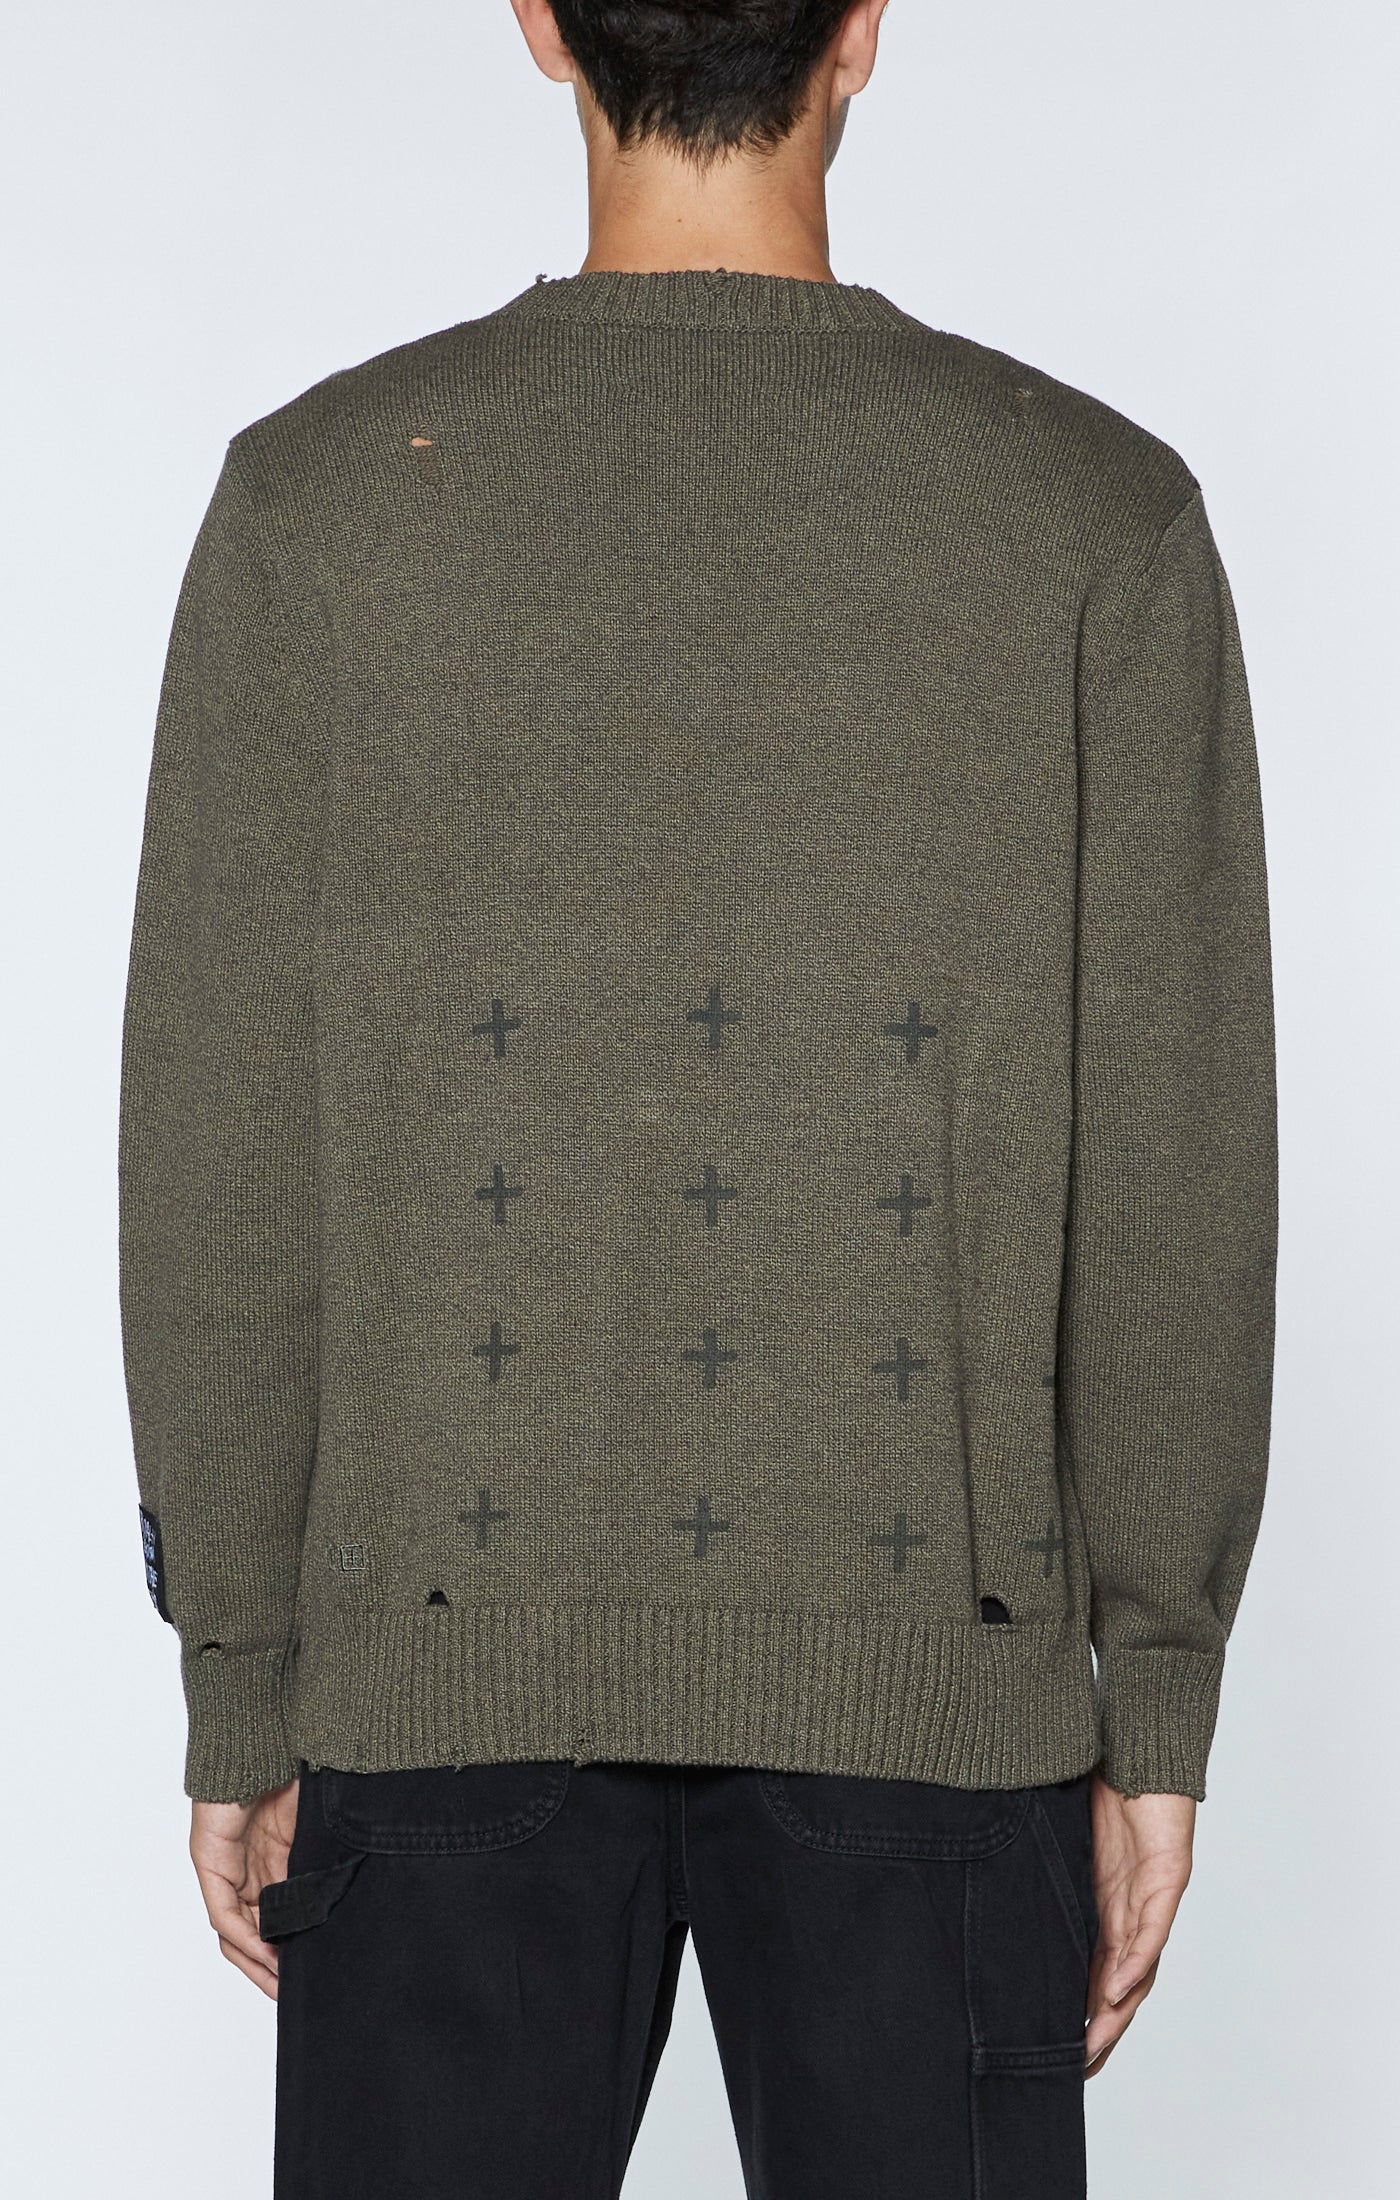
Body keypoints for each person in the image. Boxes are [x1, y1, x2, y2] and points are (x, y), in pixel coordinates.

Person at [118, 3, 1277, 2194]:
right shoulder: (1092, 515)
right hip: (937, 1695)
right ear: (864, 33)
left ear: (538, 27)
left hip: (436, 1678)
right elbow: (1174, 1164)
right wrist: (1161, 1689)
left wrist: (242, 1669)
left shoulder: (318, 506)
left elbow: (219, 1142)